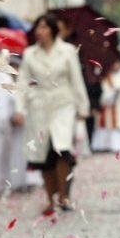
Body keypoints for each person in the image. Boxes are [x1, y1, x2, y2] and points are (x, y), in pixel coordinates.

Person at [14, 14, 90, 214]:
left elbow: (76, 79)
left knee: (61, 149)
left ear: (53, 30)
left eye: (44, 27)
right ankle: (50, 198)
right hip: (39, 106)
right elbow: (22, 83)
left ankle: (63, 195)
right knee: (44, 154)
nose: (40, 31)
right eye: (38, 27)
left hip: (63, 104)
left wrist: (83, 107)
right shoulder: (30, 54)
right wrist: (19, 109)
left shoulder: (67, 51)